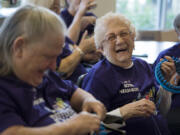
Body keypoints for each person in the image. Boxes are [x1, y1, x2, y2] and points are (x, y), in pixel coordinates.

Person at [0, 5, 106, 135]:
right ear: (19, 47)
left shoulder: (43, 74)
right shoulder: (5, 89)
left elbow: (72, 91)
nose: (54, 66)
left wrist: (89, 100)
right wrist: (71, 127)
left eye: (56, 56)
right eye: (48, 57)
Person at [81, 12, 179, 135]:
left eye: (124, 34)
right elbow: (91, 128)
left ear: (133, 38)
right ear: (101, 49)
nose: (120, 41)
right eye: (111, 37)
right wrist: (123, 113)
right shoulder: (98, 76)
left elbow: (160, 111)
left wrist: (166, 85)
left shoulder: (143, 66)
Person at [21, 0, 101, 83]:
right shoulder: (40, 40)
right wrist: (82, 50)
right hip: (75, 83)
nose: (59, 12)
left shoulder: (54, 32)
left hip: (80, 80)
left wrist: (86, 54)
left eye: (59, 8)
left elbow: (70, 50)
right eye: (55, 9)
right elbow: (61, 71)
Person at [153, 13, 180, 135]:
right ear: (177, 32)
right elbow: (155, 92)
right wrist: (172, 80)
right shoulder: (166, 57)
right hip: (173, 109)